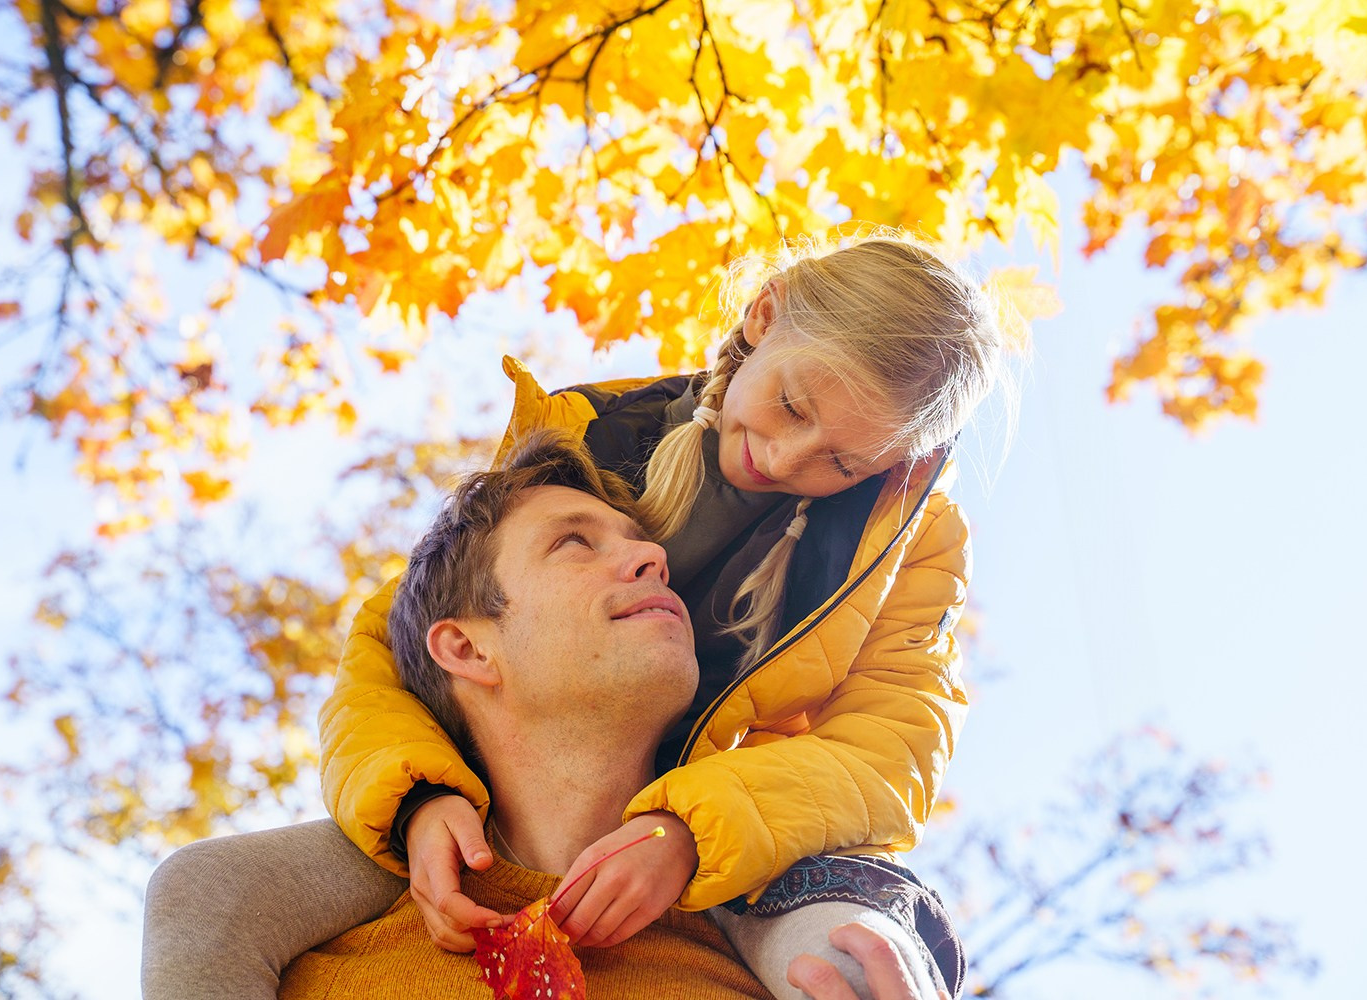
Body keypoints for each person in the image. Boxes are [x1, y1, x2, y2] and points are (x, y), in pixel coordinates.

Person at [144, 230, 1017, 998]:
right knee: (208, 892)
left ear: (904, 460)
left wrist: (693, 826)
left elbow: (894, 742)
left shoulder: (909, 540)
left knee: (851, 945)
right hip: (506, 786)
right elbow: (407, 630)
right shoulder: (590, 439)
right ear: (762, 315)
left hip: (742, 822)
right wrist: (416, 797)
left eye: (842, 459)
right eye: (790, 405)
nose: (785, 456)